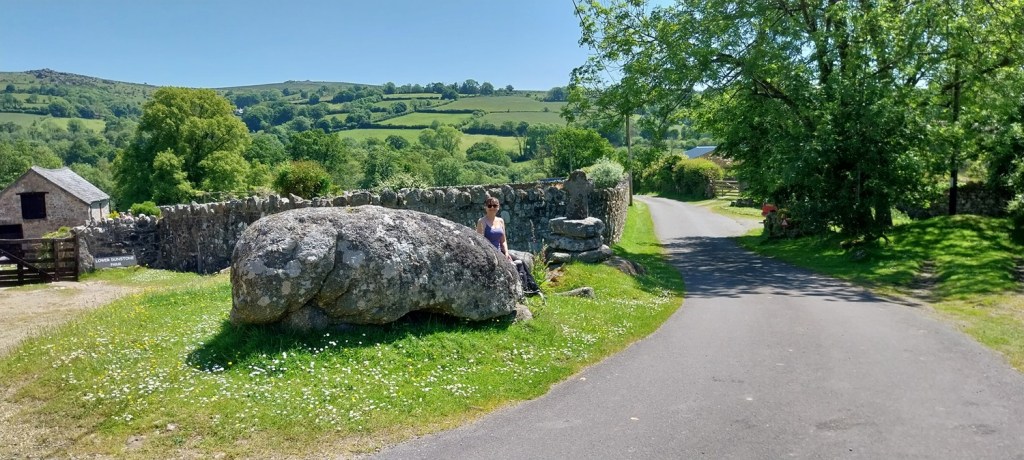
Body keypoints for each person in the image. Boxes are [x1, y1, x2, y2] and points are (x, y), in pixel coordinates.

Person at [476, 197, 541, 296]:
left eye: (495, 205)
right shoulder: (482, 222)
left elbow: (503, 240)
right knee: (514, 265)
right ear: (485, 207)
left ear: (498, 207)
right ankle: (524, 290)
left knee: (521, 262)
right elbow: (480, 242)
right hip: (490, 253)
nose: (492, 208)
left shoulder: (500, 221)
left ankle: (531, 288)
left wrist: (506, 252)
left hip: (500, 251)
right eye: (489, 205)